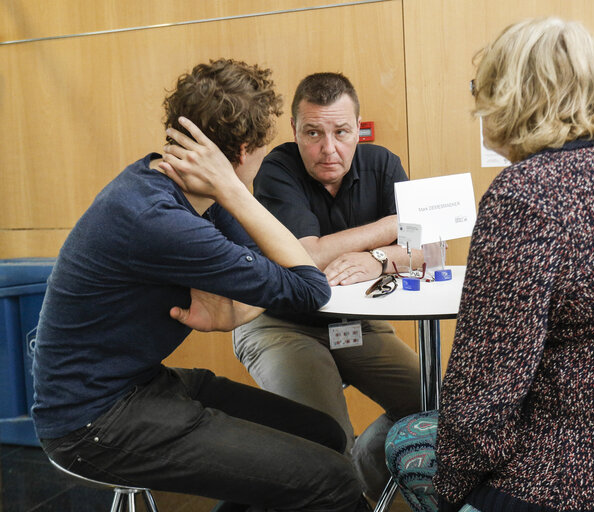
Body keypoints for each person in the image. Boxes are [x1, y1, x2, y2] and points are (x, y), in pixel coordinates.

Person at [385, 18, 594, 512]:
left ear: (508, 96)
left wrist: (459, 497)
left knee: (403, 438)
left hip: (573, 487)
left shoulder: (529, 194)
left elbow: (483, 389)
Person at [31, 59, 368, 512]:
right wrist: (232, 189)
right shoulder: (160, 218)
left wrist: (241, 301)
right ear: (245, 150)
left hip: (142, 386)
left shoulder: (176, 190)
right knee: (334, 480)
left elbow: (274, 269)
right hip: (93, 423)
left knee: (323, 435)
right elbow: (310, 287)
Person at [232, 72, 421, 499]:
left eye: (341, 132)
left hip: (359, 322)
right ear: (295, 132)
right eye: (313, 133)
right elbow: (309, 258)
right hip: (282, 324)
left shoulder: (384, 163)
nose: (328, 148)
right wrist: (389, 228)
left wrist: (375, 260)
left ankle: (354, 490)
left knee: (433, 406)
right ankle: (337, 486)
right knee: (327, 437)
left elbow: (423, 250)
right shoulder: (277, 169)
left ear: (358, 129)